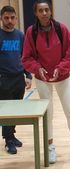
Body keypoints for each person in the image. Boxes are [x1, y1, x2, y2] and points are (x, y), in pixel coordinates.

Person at [21, 0, 70, 164]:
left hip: (62, 78)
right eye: (40, 11)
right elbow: (27, 58)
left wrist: (61, 68)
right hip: (42, 79)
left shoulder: (61, 29)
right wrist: (38, 69)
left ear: (51, 12)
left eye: (46, 10)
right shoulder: (32, 32)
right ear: (36, 13)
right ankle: (50, 148)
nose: (44, 13)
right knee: (48, 115)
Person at [0, 5, 32, 155]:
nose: (9, 21)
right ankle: (8, 141)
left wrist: (28, 76)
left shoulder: (20, 35)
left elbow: (24, 57)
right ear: (1, 18)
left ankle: (11, 135)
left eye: (12, 18)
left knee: (16, 110)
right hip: (4, 80)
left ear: (16, 18)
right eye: (6, 18)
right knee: (7, 111)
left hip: (18, 79)